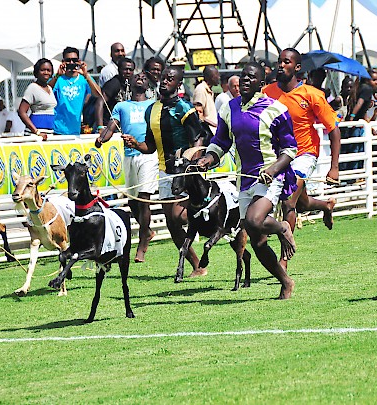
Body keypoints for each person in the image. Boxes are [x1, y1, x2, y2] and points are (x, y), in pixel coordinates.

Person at [197, 62, 297, 299]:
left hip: (271, 175)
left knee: (253, 220)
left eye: (251, 77)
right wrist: (208, 158)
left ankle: (282, 227)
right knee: (258, 241)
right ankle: (286, 282)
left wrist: (273, 170)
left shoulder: (276, 109)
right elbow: (221, 142)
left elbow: (290, 149)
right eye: (242, 76)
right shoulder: (229, 108)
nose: (244, 80)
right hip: (245, 179)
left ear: (261, 84)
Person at [121, 65, 207, 277]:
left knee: (179, 216)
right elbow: (149, 146)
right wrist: (135, 144)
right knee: (172, 224)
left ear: (178, 85)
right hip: (164, 171)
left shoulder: (185, 109)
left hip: (184, 172)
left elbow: (198, 138)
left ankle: (207, 218)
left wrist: (191, 163)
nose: (164, 81)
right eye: (163, 78)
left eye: (170, 79)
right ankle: (197, 265)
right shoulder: (152, 109)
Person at [263, 48, 340, 250]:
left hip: (303, 155)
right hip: (277, 156)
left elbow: (333, 129)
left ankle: (284, 257)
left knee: (288, 201)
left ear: (297, 67)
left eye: (286, 62)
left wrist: (334, 167)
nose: (281, 65)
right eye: (279, 61)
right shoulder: (266, 93)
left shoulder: (312, 95)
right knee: (301, 202)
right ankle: (326, 206)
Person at [95, 72, 158, 263]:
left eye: (144, 78)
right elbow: (110, 128)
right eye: (137, 76)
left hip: (148, 154)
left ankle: (142, 245)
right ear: (129, 82)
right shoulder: (121, 106)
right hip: (129, 156)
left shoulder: (153, 104)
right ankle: (147, 231)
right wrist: (101, 139)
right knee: (132, 201)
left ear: (148, 85)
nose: (140, 78)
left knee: (144, 198)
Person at [50, 47, 101, 135]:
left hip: (75, 129)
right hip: (58, 129)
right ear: (63, 62)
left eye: (74, 60)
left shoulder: (84, 78)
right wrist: (57, 75)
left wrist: (86, 75)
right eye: (68, 60)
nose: (71, 63)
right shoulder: (58, 78)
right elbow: (46, 92)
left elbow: (98, 94)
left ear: (79, 61)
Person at [18, 58, 57, 140]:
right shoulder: (32, 88)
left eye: (48, 70)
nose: (46, 72)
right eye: (42, 70)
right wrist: (36, 131)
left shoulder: (49, 88)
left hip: (49, 133)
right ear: (37, 72)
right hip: (36, 135)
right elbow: (22, 112)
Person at [95, 57, 134, 127]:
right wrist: (100, 126)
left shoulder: (130, 83)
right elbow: (100, 102)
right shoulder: (114, 83)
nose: (128, 72)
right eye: (125, 69)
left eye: (130, 70)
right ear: (119, 70)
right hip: (109, 125)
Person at [193, 65, 220, 129]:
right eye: (216, 75)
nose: (219, 77)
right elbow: (199, 115)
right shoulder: (201, 90)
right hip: (208, 133)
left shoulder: (209, 91)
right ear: (209, 77)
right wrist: (214, 125)